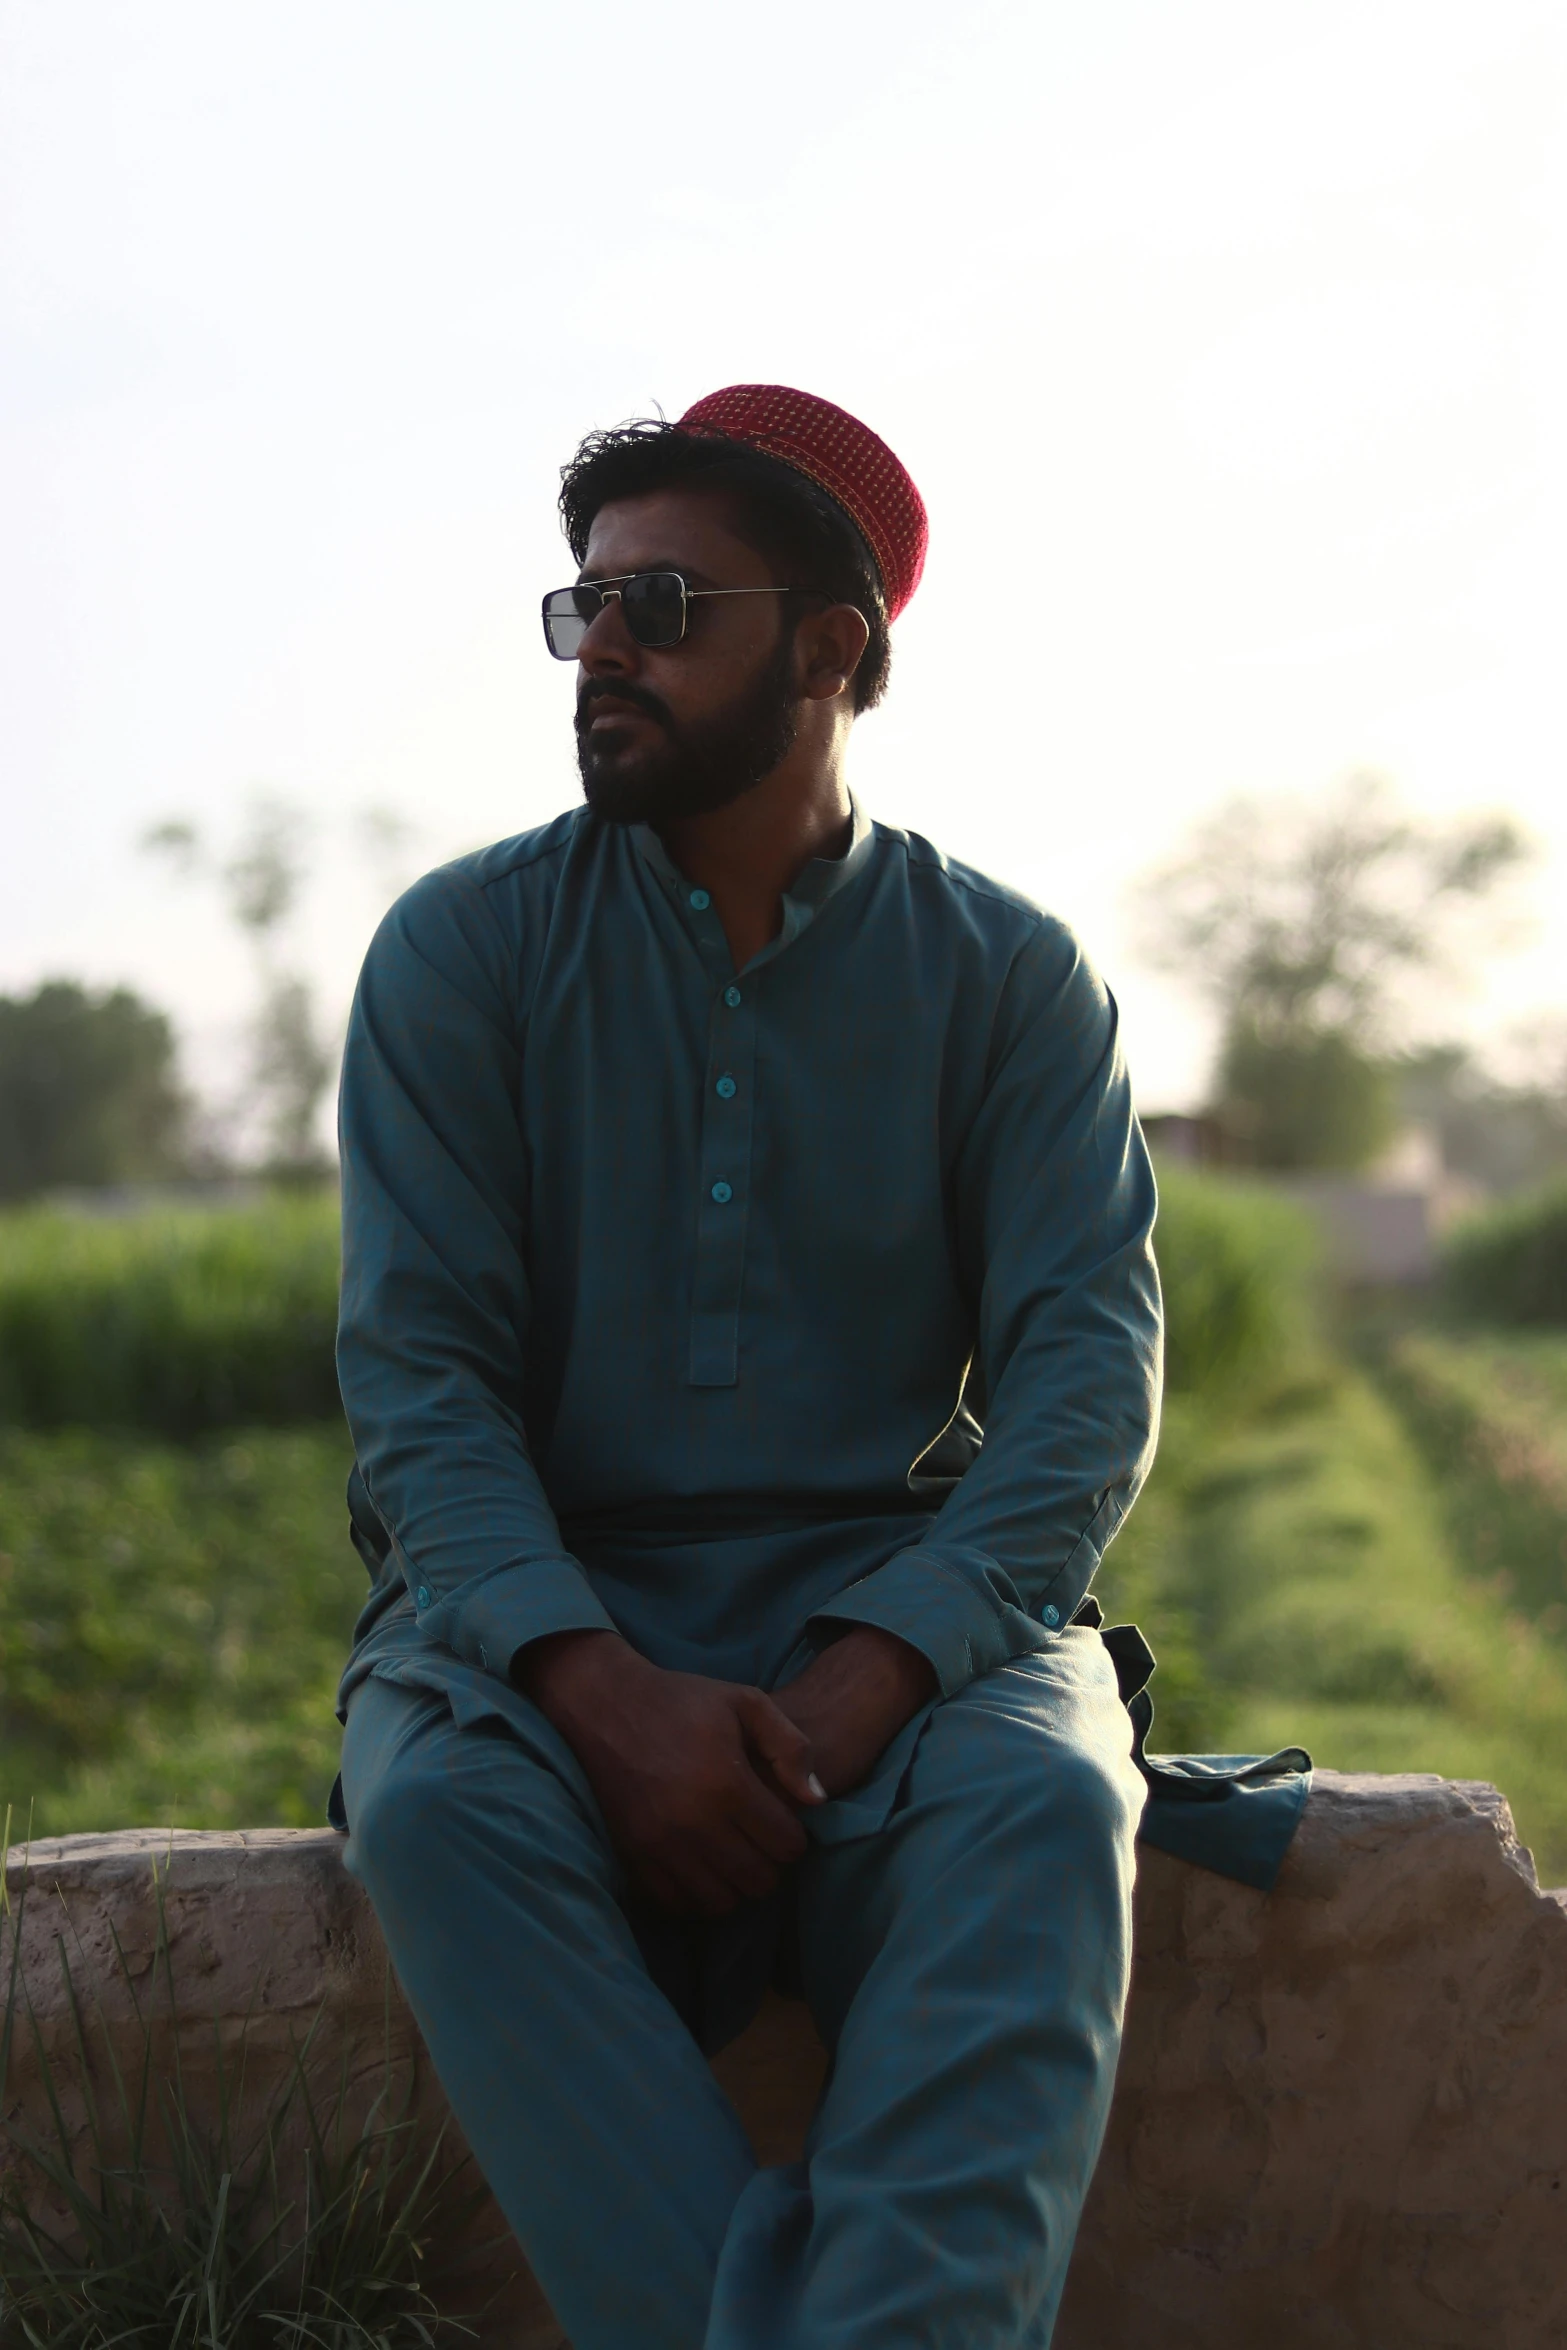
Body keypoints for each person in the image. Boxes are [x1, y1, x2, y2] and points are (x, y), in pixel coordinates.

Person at [332, 383, 1161, 2350]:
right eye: (586, 606)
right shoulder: (461, 953)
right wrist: (594, 1683)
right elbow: (423, 1385)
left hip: (894, 1622)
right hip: (540, 1634)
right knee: (441, 1820)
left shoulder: (1010, 978)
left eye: (668, 601)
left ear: (834, 647)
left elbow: (1083, 1383)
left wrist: (877, 1671)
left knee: (1050, 1807)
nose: (602, 645)